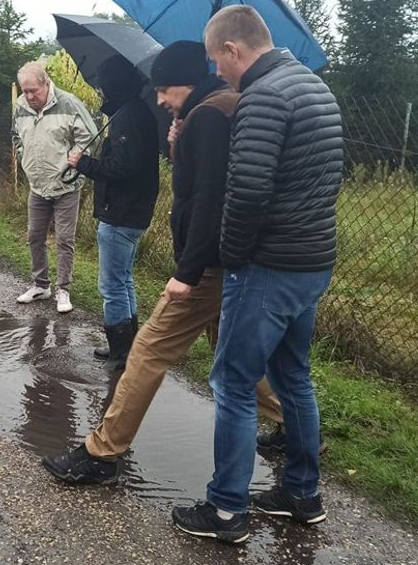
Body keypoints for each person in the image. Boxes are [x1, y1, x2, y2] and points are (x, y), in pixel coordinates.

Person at [43, 41, 283, 486]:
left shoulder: (211, 114)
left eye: (165, 90)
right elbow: (210, 179)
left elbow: (209, 200)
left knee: (148, 350)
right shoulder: (217, 109)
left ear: (186, 83)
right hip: (228, 262)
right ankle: (289, 424)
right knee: (231, 351)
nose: (159, 98)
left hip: (206, 266)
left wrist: (186, 273)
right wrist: (179, 143)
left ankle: (102, 452)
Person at [171, 6, 344, 544]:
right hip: (312, 263)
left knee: (234, 384)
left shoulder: (264, 99)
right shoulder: (316, 89)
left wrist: (233, 258)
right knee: (294, 377)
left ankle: (225, 511)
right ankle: (301, 494)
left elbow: (246, 194)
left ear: (233, 50)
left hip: (267, 267)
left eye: (216, 61)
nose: (217, 73)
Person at [64, 55, 159, 370]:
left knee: (112, 284)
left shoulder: (128, 116)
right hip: (129, 212)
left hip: (121, 213)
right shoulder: (131, 112)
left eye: (103, 85)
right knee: (124, 279)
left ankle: (121, 352)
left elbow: (123, 166)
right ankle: (129, 346)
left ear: (113, 85)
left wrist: (83, 164)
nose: (100, 91)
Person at [12, 62, 96, 314]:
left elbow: (91, 136)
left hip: (66, 185)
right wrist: (22, 156)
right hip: (37, 185)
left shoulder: (69, 103)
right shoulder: (20, 106)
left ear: (46, 83)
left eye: (33, 90)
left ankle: (63, 289)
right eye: (24, 91)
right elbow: (16, 135)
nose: (29, 96)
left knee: (64, 239)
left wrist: (77, 159)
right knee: (34, 235)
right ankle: (41, 285)